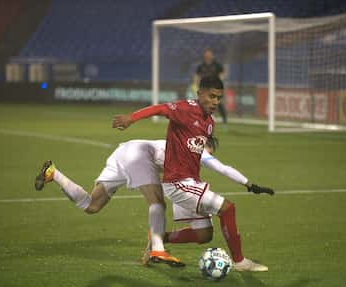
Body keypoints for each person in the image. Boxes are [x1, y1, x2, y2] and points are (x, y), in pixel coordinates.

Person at [113, 75, 271, 271]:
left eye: (219, 98)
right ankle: (240, 262)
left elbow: (202, 155)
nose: (215, 102)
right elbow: (160, 108)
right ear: (199, 93)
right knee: (227, 209)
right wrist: (131, 118)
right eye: (211, 96)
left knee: (204, 235)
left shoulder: (210, 123)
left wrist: (248, 184)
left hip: (190, 183)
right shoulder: (185, 109)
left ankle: (159, 238)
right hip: (178, 183)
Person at [34, 140, 184, 267]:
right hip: (137, 156)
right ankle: (157, 251)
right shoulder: (188, 155)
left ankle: (53, 173)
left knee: (92, 205)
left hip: (123, 153)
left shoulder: (182, 146)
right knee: (157, 203)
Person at [195, 48, 228, 125]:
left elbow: (222, 74)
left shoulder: (217, 65)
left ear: (212, 56)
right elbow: (197, 76)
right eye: (206, 54)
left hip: (214, 88)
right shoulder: (201, 66)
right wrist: (196, 85)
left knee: (218, 103)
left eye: (209, 54)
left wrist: (218, 83)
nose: (208, 56)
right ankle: (202, 119)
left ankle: (224, 119)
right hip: (205, 88)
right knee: (202, 103)